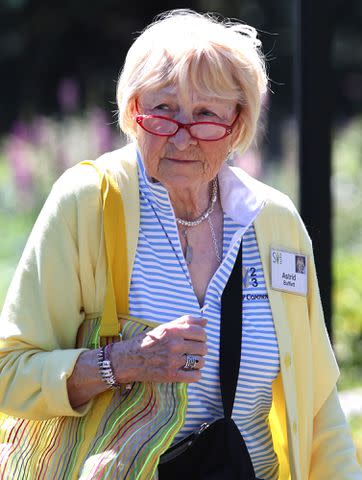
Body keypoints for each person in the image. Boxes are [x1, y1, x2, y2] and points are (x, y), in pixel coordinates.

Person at [0, 9, 360, 480]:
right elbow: (11, 372)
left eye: (206, 115)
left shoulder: (275, 224)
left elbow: (318, 408)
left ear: (237, 124)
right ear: (133, 112)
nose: (184, 138)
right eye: (164, 111)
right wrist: (124, 362)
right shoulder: (90, 202)